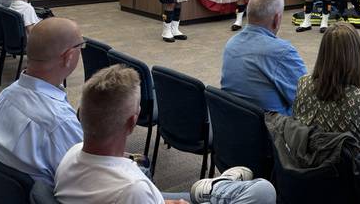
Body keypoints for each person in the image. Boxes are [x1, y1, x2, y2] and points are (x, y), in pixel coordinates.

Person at [55, 65, 275, 204]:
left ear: (82, 113)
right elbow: (134, 195)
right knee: (263, 191)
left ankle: (215, 190)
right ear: (132, 122)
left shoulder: (70, 154)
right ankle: (217, 189)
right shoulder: (133, 189)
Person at [0, 18, 84, 185]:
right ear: (69, 57)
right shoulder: (59, 122)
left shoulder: (6, 95)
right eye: (81, 46)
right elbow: (87, 179)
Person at [293, 22, 360, 155]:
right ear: (357, 55)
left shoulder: (303, 83)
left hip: (306, 165)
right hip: (347, 172)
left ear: (323, 53)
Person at [221, 0, 307, 115]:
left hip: (235, 125)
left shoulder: (231, 44)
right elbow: (306, 101)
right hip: (272, 131)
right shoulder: (282, 52)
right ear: (277, 19)